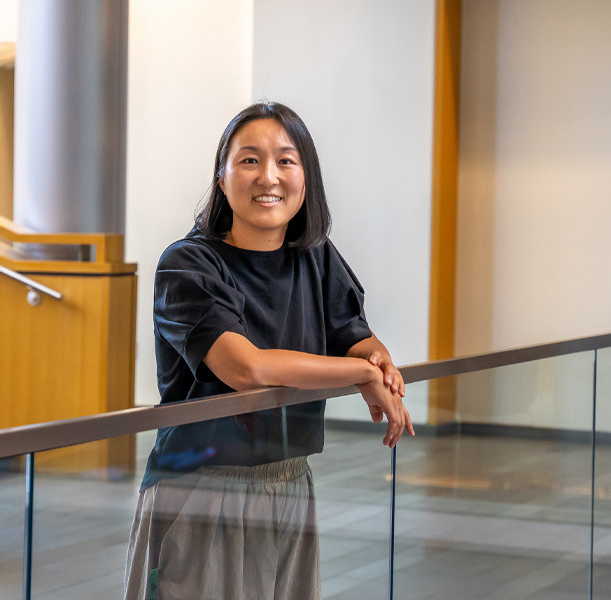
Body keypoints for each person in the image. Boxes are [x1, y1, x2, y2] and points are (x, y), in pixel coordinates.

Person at [124, 101, 413, 600]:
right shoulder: (188, 264)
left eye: (286, 159)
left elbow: (357, 336)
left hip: (290, 482)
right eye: (250, 160)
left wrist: (378, 363)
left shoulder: (316, 257)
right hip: (202, 487)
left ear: (307, 176)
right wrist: (361, 376)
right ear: (222, 179)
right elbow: (247, 367)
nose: (269, 177)